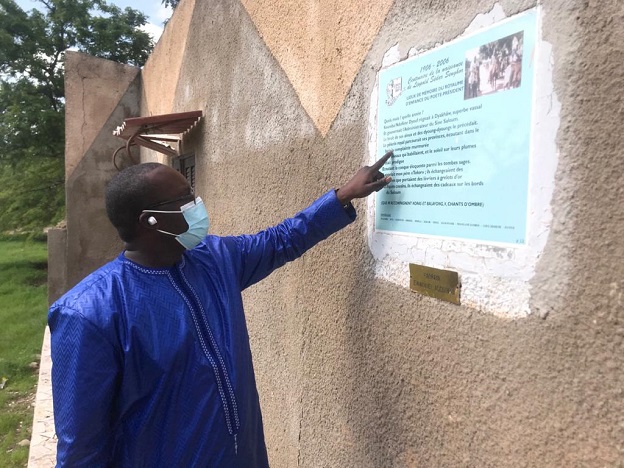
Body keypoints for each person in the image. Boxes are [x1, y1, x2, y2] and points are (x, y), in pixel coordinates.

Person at [48, 150, 393, 467]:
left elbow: (282, 239)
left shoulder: (216, 260)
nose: (197, 204)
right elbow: (81, 448)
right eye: (185, 199)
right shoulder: (90, 312)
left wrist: (342, 196)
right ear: (150, 221)